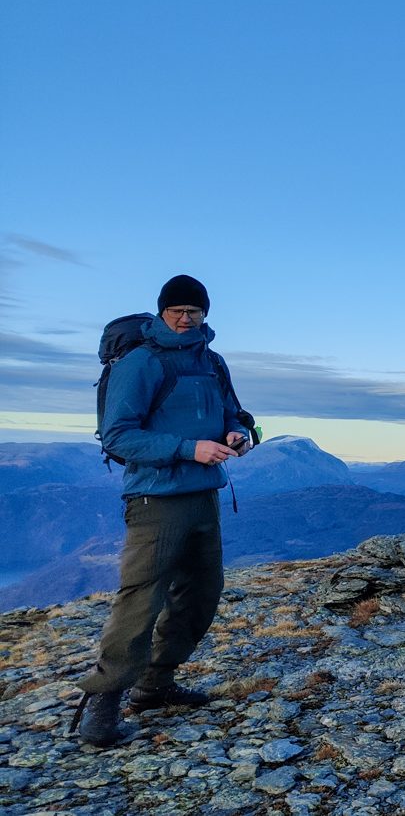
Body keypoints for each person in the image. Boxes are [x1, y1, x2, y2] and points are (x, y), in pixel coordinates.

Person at [73, 275, 250, 747]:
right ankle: (103, 708)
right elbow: (118, 436)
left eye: (194, 310)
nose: (186, 318)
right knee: (140, 601)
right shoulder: (141, 361)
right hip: (156, 501)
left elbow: (235, 414)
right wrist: (189, 448)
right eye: (178, 311)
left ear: (206, 314)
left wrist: (239, 434)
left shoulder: (212, 361)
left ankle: (155, 686)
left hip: (203, 498)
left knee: (201, 594)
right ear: (162, 312)